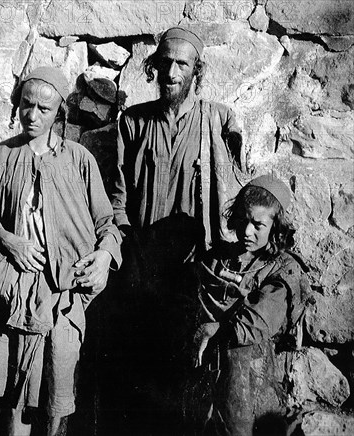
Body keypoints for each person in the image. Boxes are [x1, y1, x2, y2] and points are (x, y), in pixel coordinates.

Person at [104, 26, 246, 433]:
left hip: (193, 270)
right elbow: (118, 195)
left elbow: (234, 195)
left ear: (196, 70)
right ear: (153, 67)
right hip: (141, 264)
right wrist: (130, 249)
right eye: (164, 62)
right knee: (136, 374)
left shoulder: (217, 120)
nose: (171, 72)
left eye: (181, 63)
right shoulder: (132, 123)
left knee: (183, 377)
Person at [0, 66, 122, 436]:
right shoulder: (0, 157)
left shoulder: (79, 160)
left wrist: (104, 257)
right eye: (26, 104)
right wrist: (9, 240)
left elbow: (108, 224)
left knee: (57, 393)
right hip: (15, 292)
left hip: (64, 296)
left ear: (59, 114)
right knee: (14, 396)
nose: (32, 115)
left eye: (44, 108)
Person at [189, 175, 310, 435]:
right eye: (243, 220)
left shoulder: (284, 269)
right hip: (207, 384)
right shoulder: (217, 259)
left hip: (253, 390)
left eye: (258, 225)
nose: (247, 231)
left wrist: (214, 328)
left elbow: (258, 322)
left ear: (276, 227)